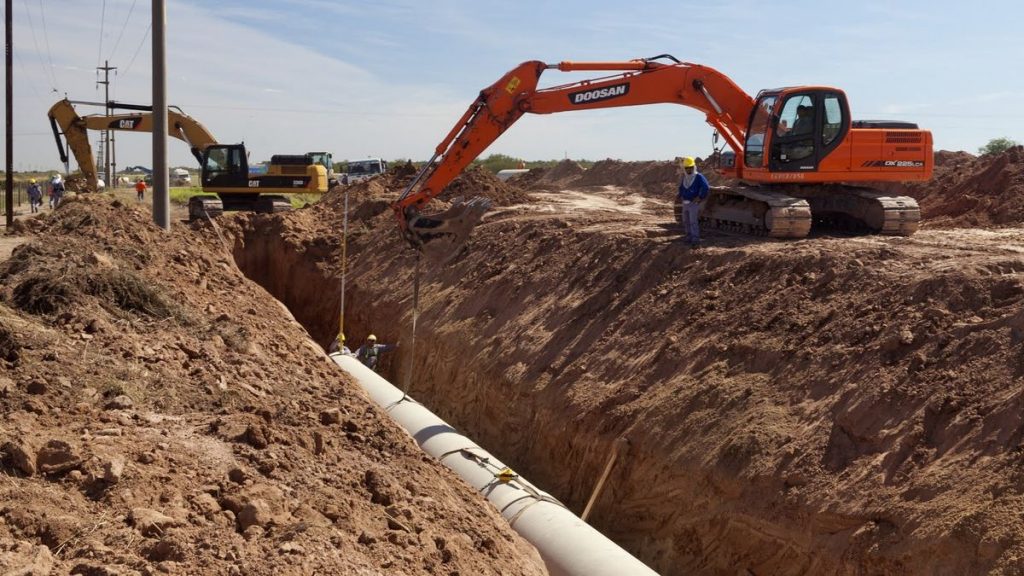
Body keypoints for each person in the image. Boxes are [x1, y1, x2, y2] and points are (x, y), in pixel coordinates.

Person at [676, 157, 710, 248]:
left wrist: (700, 197)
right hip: (685, 203)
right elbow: (681, 187)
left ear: (693, 167)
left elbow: (706, 187)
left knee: (693, 222)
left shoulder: (698, 177)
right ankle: (688, 237)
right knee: (686, 221)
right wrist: (680, 195)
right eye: (686, 168)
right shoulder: (685, 177)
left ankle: (695, 239)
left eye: (690, 167)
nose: (688, 169)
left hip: (693, 203)